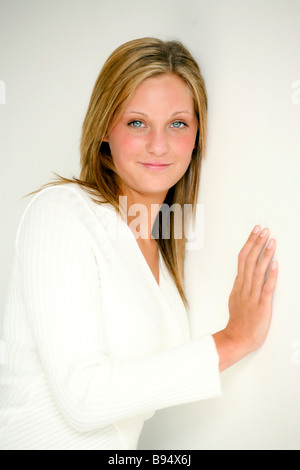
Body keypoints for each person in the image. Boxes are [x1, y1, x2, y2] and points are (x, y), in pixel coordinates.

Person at [0, 37, 278, 450]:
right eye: (137, 122)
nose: (159, 145)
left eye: (178, 123)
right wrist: (233, 338)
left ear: (198, 135)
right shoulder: (62, 210)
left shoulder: (164, 248)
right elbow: (83, 397)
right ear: (105, 130)